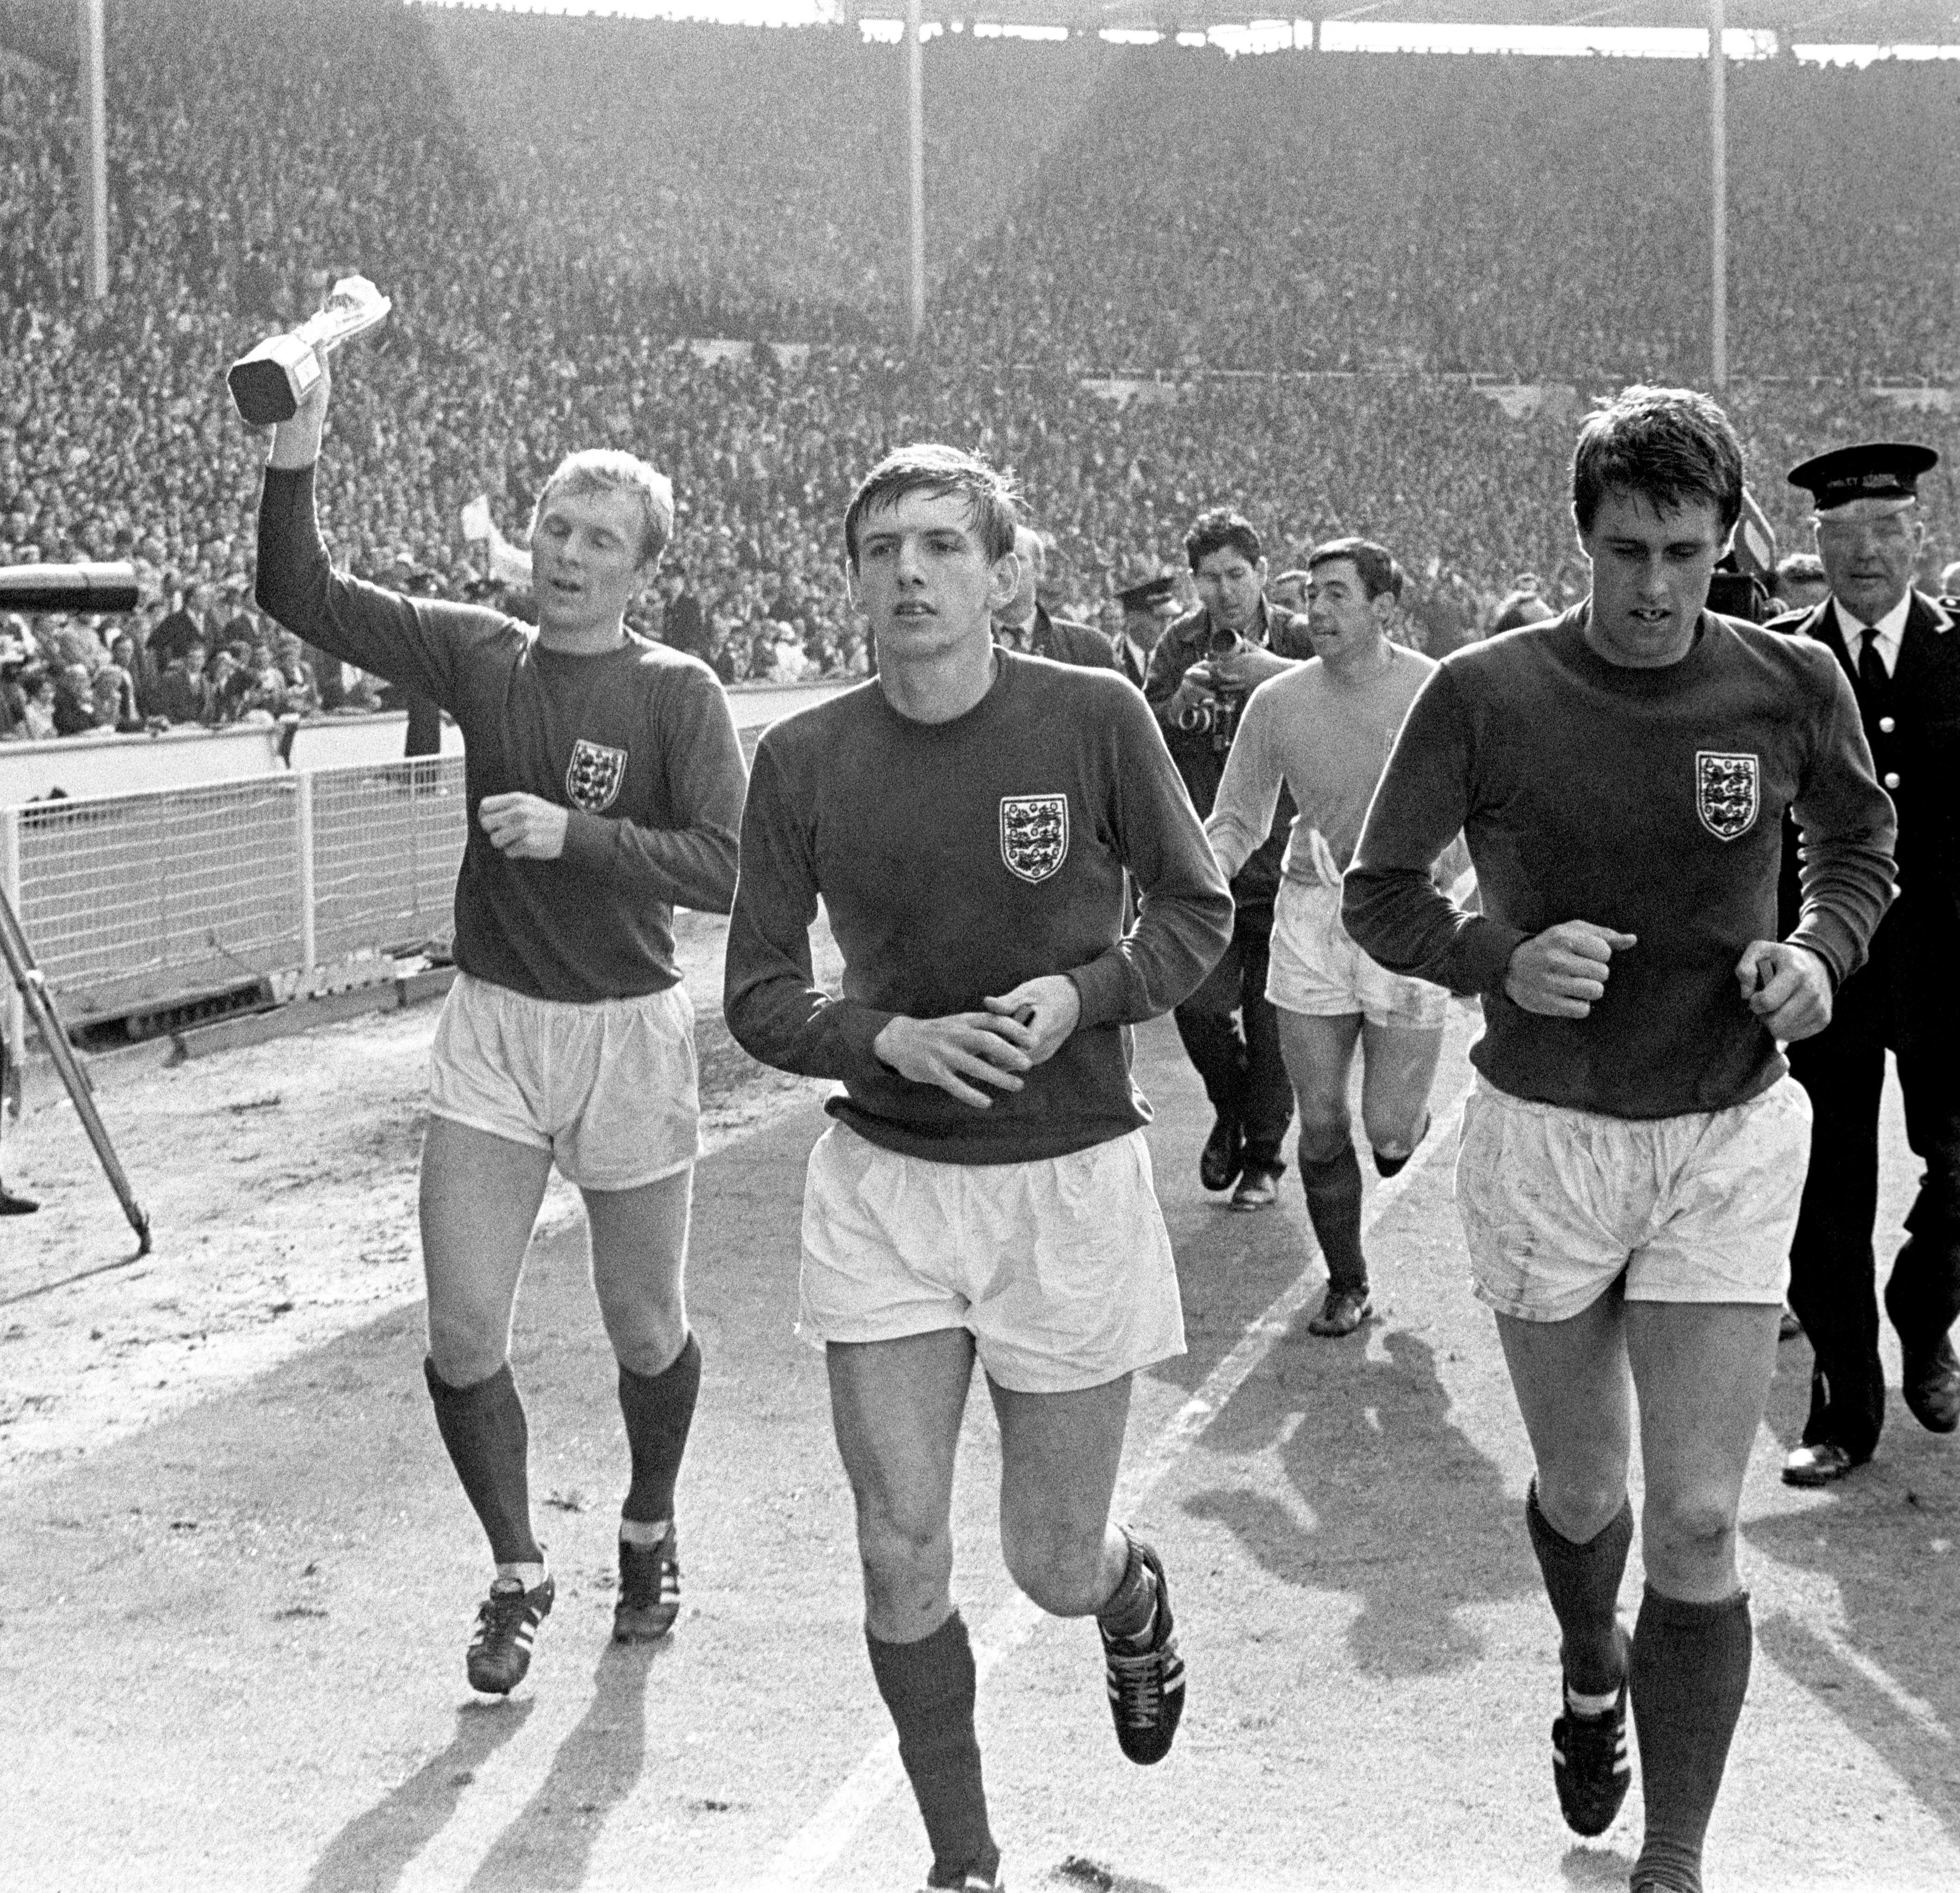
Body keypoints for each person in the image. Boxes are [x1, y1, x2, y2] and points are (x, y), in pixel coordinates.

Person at [1344, 387, 1895, 1893]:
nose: (1653, 585)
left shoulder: (1787, 685)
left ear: (1728, 543)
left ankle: (1673, 1854)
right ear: (1583, 538)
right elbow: (1379, 890)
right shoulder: (1483, 692)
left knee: (1704, 1513)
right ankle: (1592, 1659)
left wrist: (1821, 951)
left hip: (1722, 1133)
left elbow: (1856, 844)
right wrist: (1493, 959)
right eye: (1624, 549)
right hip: (1548, 1140)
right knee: (1591, 1497)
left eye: (1682, 550)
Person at [724, 443, 1232, 1893]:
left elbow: (1195, 920)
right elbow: (760, 995)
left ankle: (1129, 1600)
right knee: (896, 1545)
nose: (909, 571)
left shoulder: (1092, 717)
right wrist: (881, 1039)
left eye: (943, 544)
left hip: (1063, 1178)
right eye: (882, 548)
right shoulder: (804, 758)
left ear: (1004, 574)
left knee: (1049, 1564)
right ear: (855, 582)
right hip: (886, 1185)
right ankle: (965, 1863)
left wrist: (1086, 995)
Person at [254, 340, 747, 1696]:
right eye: (556, 528)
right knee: (463, 1332)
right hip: (494, 1032)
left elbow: (725, 865)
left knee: (646, 1326)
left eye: (602, 538)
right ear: (529, 540)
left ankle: (647, 1524)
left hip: (627, 1035)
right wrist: (301, 441)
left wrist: (576, 837)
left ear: (642, 564)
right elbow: (295, 590)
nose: (572, 553)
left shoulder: (674, 692)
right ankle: (520, 1569)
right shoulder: (482, 651)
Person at [1204, 537, 1453, 1338]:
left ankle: (1398, 1134)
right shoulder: (1279, 705)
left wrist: (1459, 882)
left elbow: (1487, 807)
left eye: (1338, 594)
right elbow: (1238, 817)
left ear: (1385, 607)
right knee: (1317, 1121)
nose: (1317, 610)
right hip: (1311, 918)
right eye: (1311, 594)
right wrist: (1197, 890)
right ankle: (1347, 1281)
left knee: (1386, 1129)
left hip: (1409, 917)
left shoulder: (1435, 692)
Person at [1771, 441, 1960, 1484]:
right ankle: (1842, 1404)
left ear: (1914, 537)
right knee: (1822, 1193)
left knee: (1958, 1170)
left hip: (1947, 963)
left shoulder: (1955, 651)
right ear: (1816, 546)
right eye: (1838, 536)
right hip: (1823, 967)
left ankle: (1920, 1312)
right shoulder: (1782, 665)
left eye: (1883, 529)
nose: (1862, 554)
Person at [1144, 508, 1311, 1209]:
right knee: (1198, 1004)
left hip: (1286, 857)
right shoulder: (1177, 644)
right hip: (1207, 858)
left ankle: (1265, 1158)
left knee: (1272, 1018)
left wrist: (1270, 681)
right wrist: (1176, 702)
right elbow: (1145, 739)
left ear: (1263, 573)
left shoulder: (1301, 639)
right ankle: (1232, 1110)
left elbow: (1335, 711)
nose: (1224, 591)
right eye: (1209, 578)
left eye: (1236, 575)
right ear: (1194, 582)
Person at [992, 522, 1119, 670]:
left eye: (1018, 559)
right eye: (997, 559)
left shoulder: (1089, 647)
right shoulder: (963, 643)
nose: (1006, 569)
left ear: (1039, 568)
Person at [1112, 572, 1179, 688]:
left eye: (1168, 618)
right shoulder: (1112, 657)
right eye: (1158, 619)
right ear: (1133, 618)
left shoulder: (1177, 656)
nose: (1165, 627)